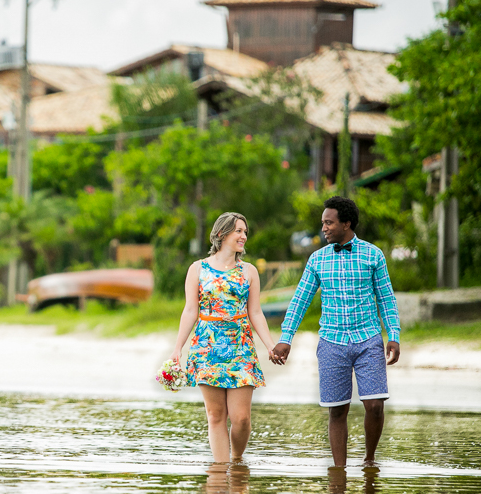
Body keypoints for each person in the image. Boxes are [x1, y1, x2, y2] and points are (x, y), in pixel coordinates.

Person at [272, 196, 401, 467]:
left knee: (375, 406)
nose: (324, 229)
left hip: (368, 339)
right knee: (337, 410)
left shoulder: (373, 255)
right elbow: (300, 301)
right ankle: (339, 473)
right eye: (322, 223)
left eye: (329, 223)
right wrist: (286, 338)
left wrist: (394, 335)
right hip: (332, 342)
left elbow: (386, 299)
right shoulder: (317, 260)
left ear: (347, 223)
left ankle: (369, 460)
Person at [170, 212, 280, 463]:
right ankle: (220, 475)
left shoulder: (249, 271)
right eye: (238, 231)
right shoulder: (197, 268)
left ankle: (237, 461)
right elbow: (190, 310)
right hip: (206, 346)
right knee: (216, 415)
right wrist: (178, 347)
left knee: (241, 418)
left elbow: (255, 312)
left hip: (241, 346)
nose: (243, 236)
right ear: (221, 234)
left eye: (245, 232)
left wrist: (271, 345)